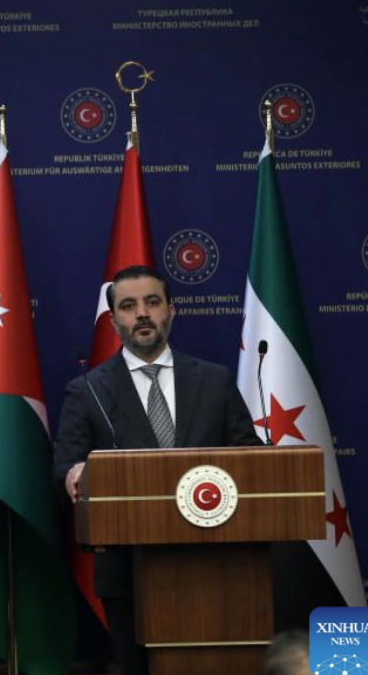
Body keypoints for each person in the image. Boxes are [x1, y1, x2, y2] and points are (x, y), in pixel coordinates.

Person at [52, 264, 261, 675]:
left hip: (216, 561)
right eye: (128, 306)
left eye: (152, 302)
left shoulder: (215, 381)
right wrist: (75, 473)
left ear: (172, 310)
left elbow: (247, 457)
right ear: (114, 322)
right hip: (128, 569)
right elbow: (66, 462)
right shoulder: (87, 389)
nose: (142, 313)